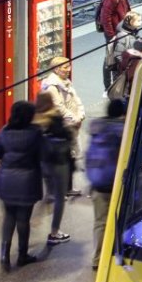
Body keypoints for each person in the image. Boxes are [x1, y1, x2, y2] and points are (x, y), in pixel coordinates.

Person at [0, 101, 45, 272]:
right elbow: (44, 154)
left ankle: (4, 256)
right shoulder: (35, 133)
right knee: (23, 220)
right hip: (27, 181)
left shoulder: (4, 131)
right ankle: (22, 255)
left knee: (9, 217)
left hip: (6, 180)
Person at [86, 99, 126, 271]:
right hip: (117, 183)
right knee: (120, 221)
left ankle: (97, 258)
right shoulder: (124, 129)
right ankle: (116, 254)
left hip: (98, 182)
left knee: (100, 222)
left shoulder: (96, 128)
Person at [39, 56, 86, 195]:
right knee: (63, 159)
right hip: (63, 126)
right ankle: (59, 190)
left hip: (72, 124)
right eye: (65, 67)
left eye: (68, 66)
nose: (68, 70)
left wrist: (81, 114)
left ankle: (68, 188)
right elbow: (59, 107)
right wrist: (74, 119)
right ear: (56, 69)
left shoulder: (66, 82)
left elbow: (76, 100)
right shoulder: (52, 87)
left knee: (70, 158)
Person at [33, 91, 73, 246]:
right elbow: (67, 136)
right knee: (60, 198)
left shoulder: (36, 119)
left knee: (49, 191)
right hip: (59, 162)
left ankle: (38, 215)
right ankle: (55, 232)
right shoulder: (55, 117)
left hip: (44, 163)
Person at [106, 11, 142, 90]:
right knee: (123, 88)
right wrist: (126, 66)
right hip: (123, 69)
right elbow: (118, 55)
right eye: (138, 21)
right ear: (131, 22)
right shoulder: (122, 36)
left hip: (131, 67)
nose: (141, 22)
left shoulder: (134, 33)